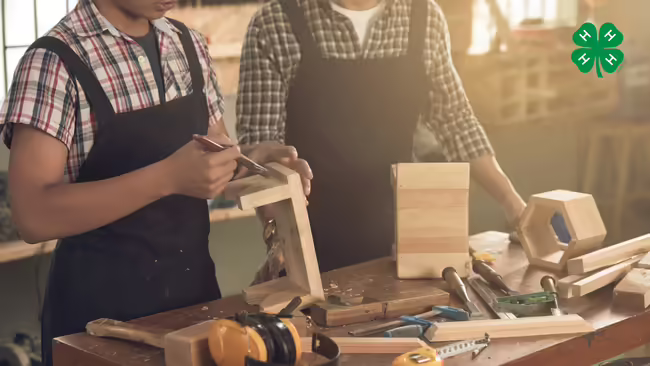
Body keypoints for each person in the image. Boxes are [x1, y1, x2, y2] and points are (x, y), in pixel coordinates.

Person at [0, 1, 311, 365]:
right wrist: (166, 177)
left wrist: (255, 165)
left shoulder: (187, 45)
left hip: (194, 309)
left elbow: (212, 164)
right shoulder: (54, 61)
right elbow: (32, 215)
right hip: (97, 326)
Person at [237, 0, 527, 272]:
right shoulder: (274, 23)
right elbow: (262, 153)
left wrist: (511, 201)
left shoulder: (423, 18)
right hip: (308, 236)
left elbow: (456, 122)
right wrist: (280, 241)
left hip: (400, 237)